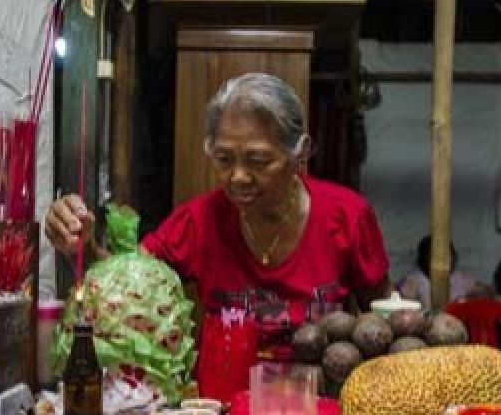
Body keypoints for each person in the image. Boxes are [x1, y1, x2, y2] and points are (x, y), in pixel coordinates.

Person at [45, 72, 392, 360]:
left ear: (299, 153)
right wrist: (82, 243)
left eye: (258, 161)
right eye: (224, 159)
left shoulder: (347, 215)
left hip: (317, 412)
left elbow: (384, 317)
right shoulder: (199, 222)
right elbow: (122, 288)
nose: (238, 177)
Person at [397, 235, 492, 313]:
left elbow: (486, 292)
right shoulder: (415, 280)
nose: (445, 259)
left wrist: (465, 302)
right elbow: (405, 307)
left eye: (449, 254)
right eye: (435, 255)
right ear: (425, 258)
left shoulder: (458, 278)